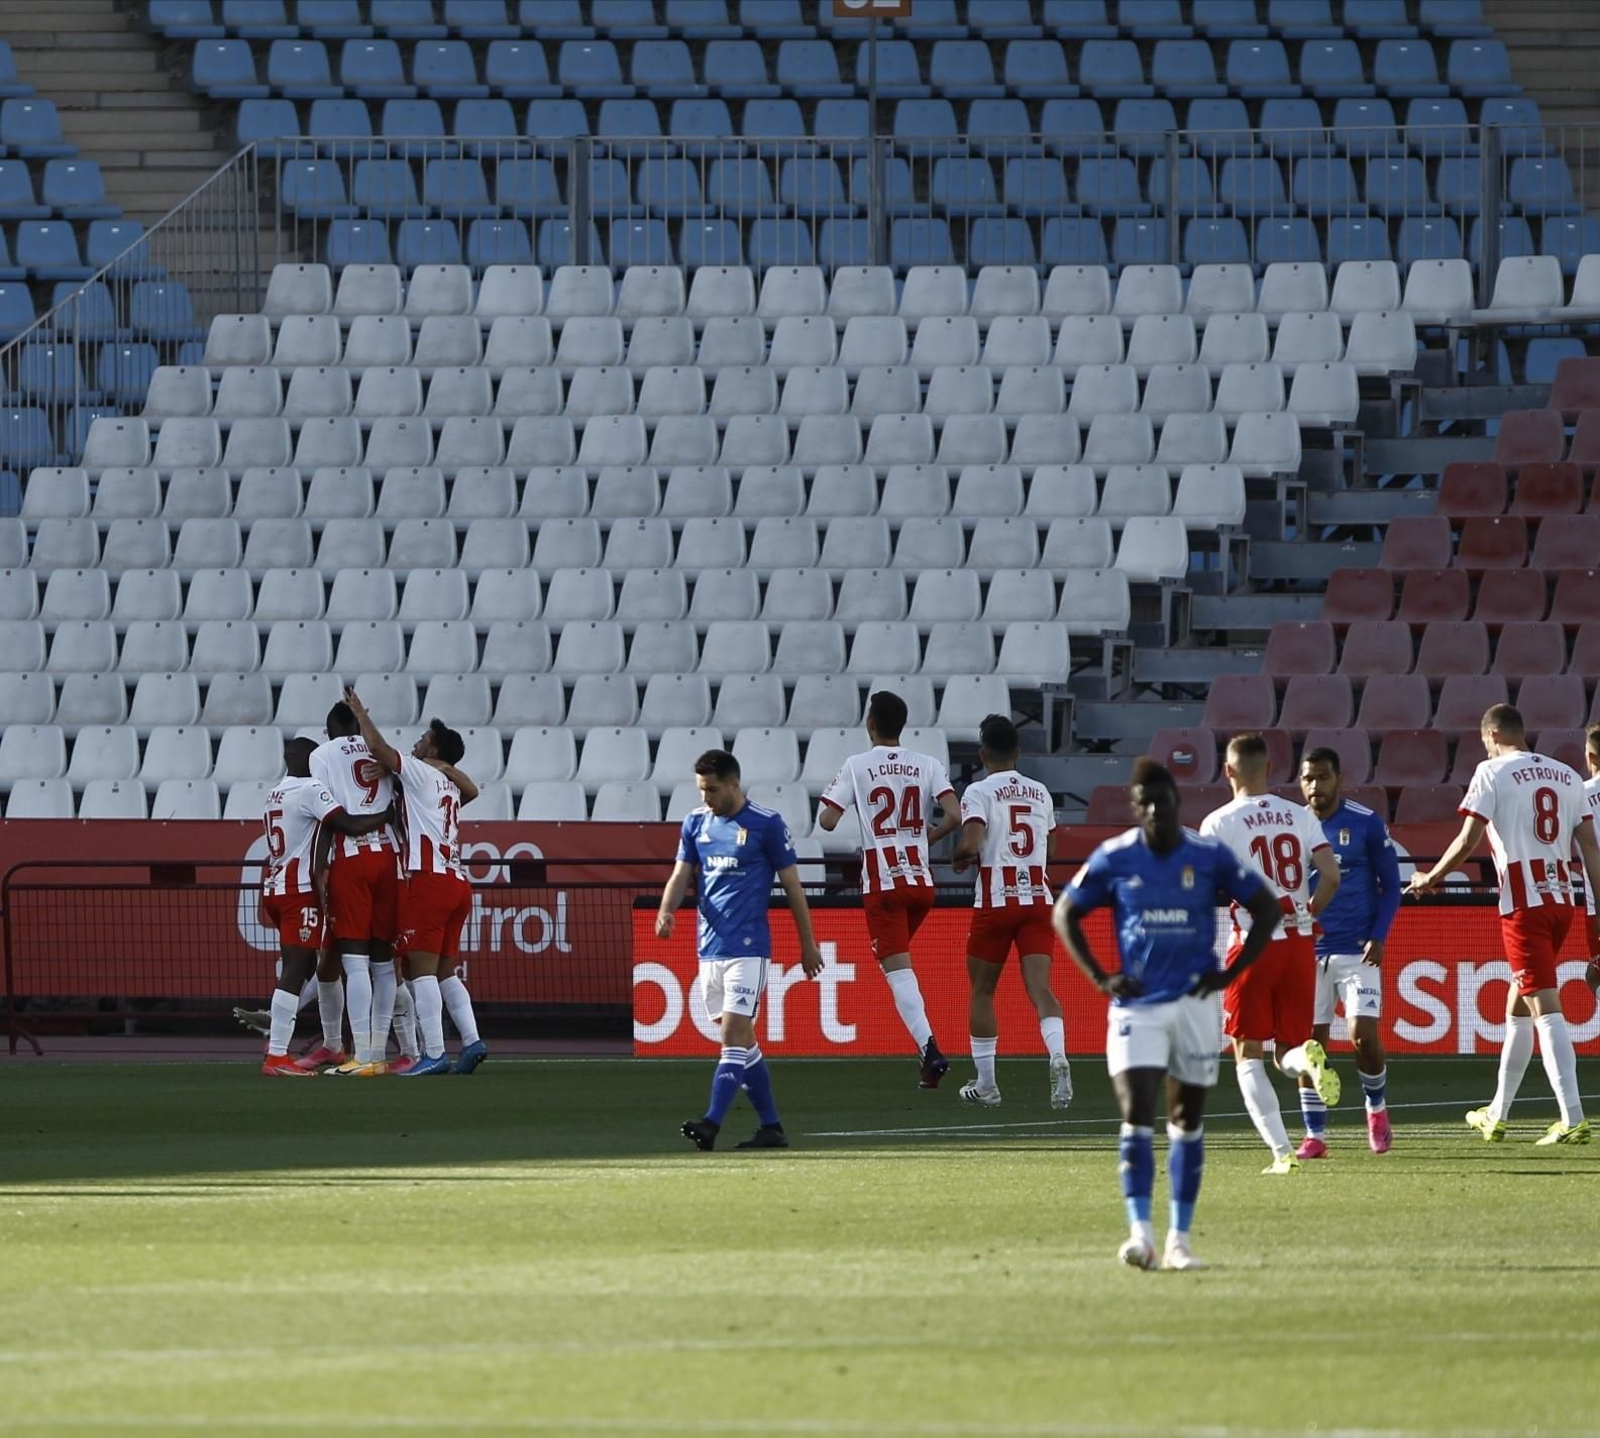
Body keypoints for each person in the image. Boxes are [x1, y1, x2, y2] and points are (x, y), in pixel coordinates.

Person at [1056, 759, 1282, 1272]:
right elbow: (1065, 911)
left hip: (1195, 1005)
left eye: (1164, 801)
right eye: (1146, 804)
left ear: (1178, 802)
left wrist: (1231, 974)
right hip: (1137, 1008)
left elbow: (1267, 907)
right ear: (1135, 809)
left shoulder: (1207, 855)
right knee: (1136, 1111)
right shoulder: (1115, 856)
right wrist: (1100, 976)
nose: (1157, 810)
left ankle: (1179, 1241)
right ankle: (1141, 1235)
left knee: (1186, 1119)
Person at [1408, 705, 1600, 1145]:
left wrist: (1430, 877)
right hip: (1561, 901)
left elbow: (1467, 839)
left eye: (1484, 741)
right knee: (1518, 1006)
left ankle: (1572, 1116)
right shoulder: (1567, 776)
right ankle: (1496, 1112)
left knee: (1545, 1008)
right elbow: (1590, 849)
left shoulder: (1491, 771)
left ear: (1492, 735)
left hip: (1523, 904)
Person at [657, 749, 824, 1151]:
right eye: (701, 790)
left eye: (712, 789)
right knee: (742, 1041)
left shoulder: (766, 824)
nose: (706, 798)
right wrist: (666, 910)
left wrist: (808, 943)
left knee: (732, 1034)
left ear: (734, 784)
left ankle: (711, 1122)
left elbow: (793, 886)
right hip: (709, 948)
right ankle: (771, 1128)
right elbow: (681, 874)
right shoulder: (695, 823)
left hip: (748, 949)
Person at [1199, 733, 1342, 1174]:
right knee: (1288, 1051)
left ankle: (1282, 1153)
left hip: (1253, 943)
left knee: (1248, 1054)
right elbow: (1332, 876)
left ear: (1227, 771)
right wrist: (1307, 911)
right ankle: (1308, 1061)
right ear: (1269, 768)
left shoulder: (1218, 823)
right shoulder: (1299, 815)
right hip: (1300, 943)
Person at [341, 688, 488, 1077]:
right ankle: (472, 1041)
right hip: (457, 882)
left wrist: (361, 715)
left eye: (423, 739)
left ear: (433, 749)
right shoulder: (449, 785)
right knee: (445, 973)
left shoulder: (421, 771)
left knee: (421, 972)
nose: (416, 743)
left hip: (429, 881)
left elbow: (379, 748)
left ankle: (435, 1053)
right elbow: (473, 790)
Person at [816, 691, 960, 1088]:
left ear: (870, 724)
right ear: (903, 724)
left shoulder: (857, 765)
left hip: (884, 884)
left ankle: (930, 1049)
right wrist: (927, 838)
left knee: (897, 971)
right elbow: (954, 814)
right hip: (922, 883)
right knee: (895, 964)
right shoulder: (927, 764)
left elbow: (827, 820)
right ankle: (926, 1058)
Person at [949, 713, 1073, 1110]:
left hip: (996, 901)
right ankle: (1058, 1055)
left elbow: (971, 841)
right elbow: (1052, 848)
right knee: (1041, 989)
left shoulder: (978, 791)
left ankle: (987, 1085)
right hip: (1038, 900)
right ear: (1017, 752)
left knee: (982, 992)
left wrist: (960, 855)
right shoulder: (1040, 792)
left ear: (982, 754)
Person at [257, 738, 393, 1076]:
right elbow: (348, 824)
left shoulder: (275, 793)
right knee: (294, 970)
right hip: (299, 892)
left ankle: (318, 1045)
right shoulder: (310, 789)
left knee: (309, 966)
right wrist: (386, 814)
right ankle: (277, 1055)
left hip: (274, 887)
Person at [1298, 745, 1402, 1155]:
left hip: (1357, 950)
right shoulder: (1293, 825)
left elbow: (1391, 886)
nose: (1315, 786)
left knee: (1363, 1037)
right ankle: (1315, 1135)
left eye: (1323, 777)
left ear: (1339, 779)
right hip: (1307, 950)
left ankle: (1376, 1109)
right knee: (1309, 1044)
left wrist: (1379, 935)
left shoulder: (1365, 823)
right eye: (1308, 778)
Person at [312, 702, 403, 1076]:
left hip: (352, 858)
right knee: (384, 963)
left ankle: (362, 1054)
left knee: (354, 961)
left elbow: (328, 816)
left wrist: (319, 869)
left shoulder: (322, 754)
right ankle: (378, 1054)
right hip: (390, 857)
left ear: (329, 728)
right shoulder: (380, 750)